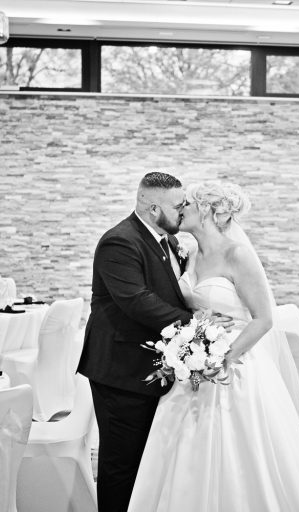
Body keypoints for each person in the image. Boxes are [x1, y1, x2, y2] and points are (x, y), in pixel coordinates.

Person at [127, 182, 299, 512]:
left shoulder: (237, 254)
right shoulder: (190, 255)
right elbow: (190, 308)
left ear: (208, 211)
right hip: (194, 371)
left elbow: (262, 319)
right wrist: (191, 346)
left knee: (243, 459)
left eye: (188, 203)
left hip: (236, 368)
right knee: (184, 458)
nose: (180, 208)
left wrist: (224, 357)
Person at [77, 171, 194, 512]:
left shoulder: (169, 241)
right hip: (121, 371)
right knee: (120, 465)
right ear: (153, 207)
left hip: (152, 368)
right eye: (178, 205)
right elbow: (137, 300)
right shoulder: (120, 241)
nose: (183, 210)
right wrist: (197, 325)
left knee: (146, 461)